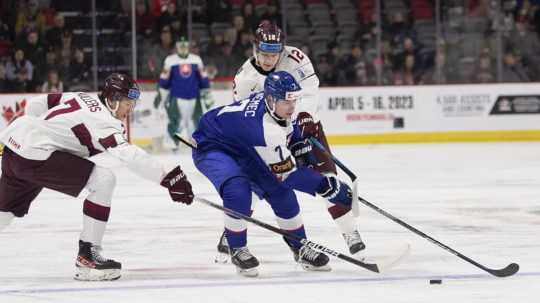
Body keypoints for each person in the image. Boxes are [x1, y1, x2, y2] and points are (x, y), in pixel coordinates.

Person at [0, 73, 194, 281]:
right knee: (103, 180)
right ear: (112, 101)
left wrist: (40, 131)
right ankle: (87, 257)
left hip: (13, 145)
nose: (131, 110)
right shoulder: (104, 122)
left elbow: (39, 103)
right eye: (128, 103)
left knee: (5, 209)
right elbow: (129, 156)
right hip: (36, 154)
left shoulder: (83, 96)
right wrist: (168, 178)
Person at [219, 21, 364, 257]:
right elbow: (246, 118)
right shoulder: (245, 78)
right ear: (255, 48)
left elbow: (310, 87)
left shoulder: (295, 58)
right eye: (264, 53)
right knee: (254, 185)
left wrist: (304, 117)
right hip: (271, 136)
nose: (269, 59)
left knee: (327, 179)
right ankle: (232, 230)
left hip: (305, 127)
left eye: (274, 53)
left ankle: (350, 232)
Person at [193, 71, 357, 277]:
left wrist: (297, 143)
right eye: (287, 102)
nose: (292, 107)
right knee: (238, 188)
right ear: (271, 99)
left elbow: (289, 127)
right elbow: (290, 175)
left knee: (280, 192)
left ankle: (299, 247)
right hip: (212, 145)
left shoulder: (276, 106)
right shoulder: (265, 131)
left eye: (294, 101)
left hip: (242, 144)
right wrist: (328, 187)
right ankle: (237, 248)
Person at [157, 36, 213, 150]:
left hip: (194, 97)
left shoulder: (196, 59)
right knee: (175, 121)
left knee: (195, 121)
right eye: (180, 46)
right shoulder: (170, 60)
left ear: (188, 46)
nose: (183, 48)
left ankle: (196, 143)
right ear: (176, 47)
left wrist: (207, 94)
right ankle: (171, 144)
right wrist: (162, 98)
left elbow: (203, 79)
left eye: (185, 46)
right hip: (176, 98)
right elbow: (164, 80)